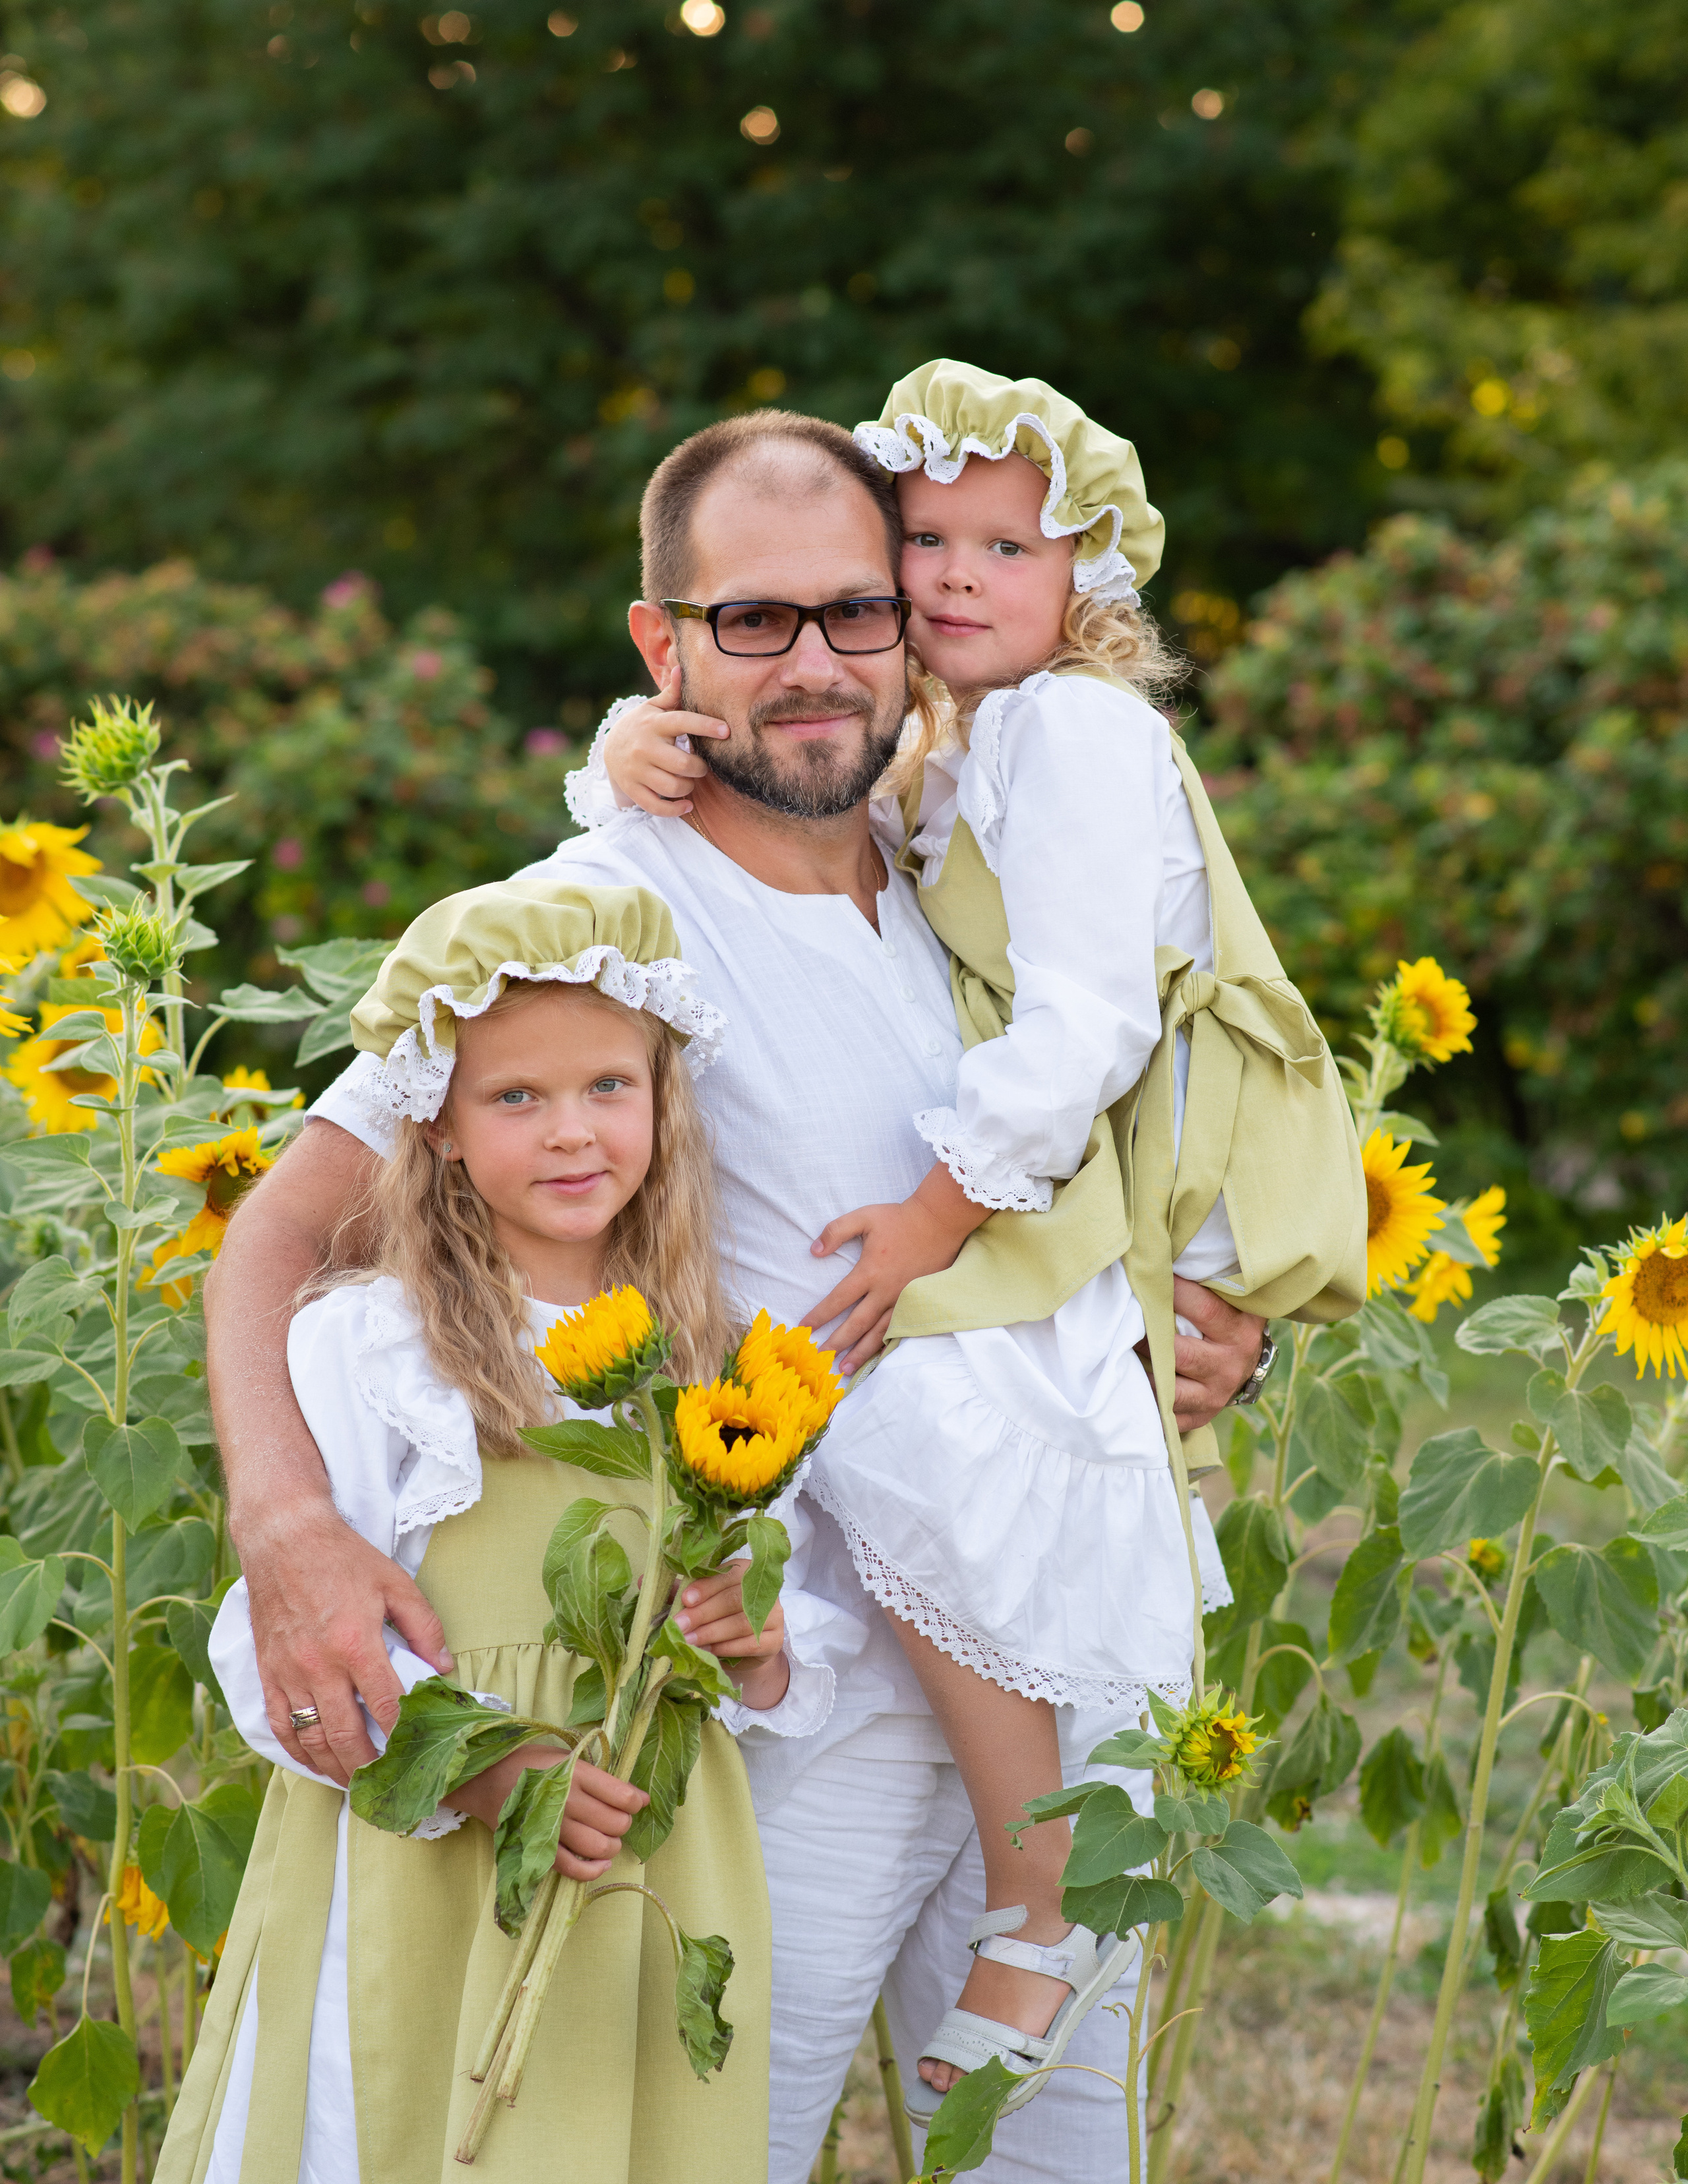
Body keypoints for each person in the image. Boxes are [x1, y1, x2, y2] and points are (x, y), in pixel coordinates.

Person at [205, 407, 1269, 2183]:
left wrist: (1169, 1320)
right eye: (754, 620)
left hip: (1067, 1630)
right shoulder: (588, 912)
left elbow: (1061, 1158)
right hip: (794, 1682)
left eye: (859, 612)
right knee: (712, 2145)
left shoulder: (972, 884)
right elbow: (285, 1233)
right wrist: (289, 1520)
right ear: (663, 644)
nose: (817, 663)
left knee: (1059, 2154)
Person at [595, 363, 1366, 2116]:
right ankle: (1042, 1892)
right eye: (920, 542)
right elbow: (776, 800)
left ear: (1089, 574)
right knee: (921, 1423)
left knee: (919, 1413)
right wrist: (622, 750)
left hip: (1143, 1159)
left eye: (998, 546)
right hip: (1076, 1210)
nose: (948, 579)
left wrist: (944, 1214)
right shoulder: (956, 744)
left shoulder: (1076, 732)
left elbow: (1091, 1018)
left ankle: (1044, 1890)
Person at [162, 882, 796, 2184]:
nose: (573, 1134)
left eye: (609, 1088)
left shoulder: (715, 1354)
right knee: (397, 2119)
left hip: (640, 1847)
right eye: (516, 1098)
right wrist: (483, 1774)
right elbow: (282, 1644)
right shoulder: (375, 1344)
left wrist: (761, 1639)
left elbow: (775, 1615)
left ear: (663, 1104)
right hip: (432, 1847)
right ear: (437, 1121)